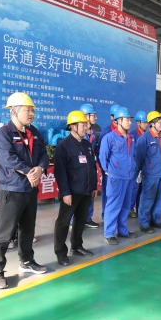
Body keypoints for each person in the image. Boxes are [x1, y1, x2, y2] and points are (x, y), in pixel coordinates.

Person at [0, 92, 49, 290]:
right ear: (14, 111)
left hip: (30, 189)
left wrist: (40, 168)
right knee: (4, 232)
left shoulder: (35, 132)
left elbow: (43, 154)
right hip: (12, 189)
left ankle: (27, 260)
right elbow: (7, 158)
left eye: (33, 110)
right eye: (27, 110)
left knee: (28, 228)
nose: (32, 114)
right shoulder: (3, 134)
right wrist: (29, 172)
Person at [54, 110, 98, 266]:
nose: (86, 127)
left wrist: (94, 186)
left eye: (86, 124)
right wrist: (65, 192)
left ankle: (77, 246)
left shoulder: (87, 145)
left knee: (80, 221)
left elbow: (92, 167)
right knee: (63, 223)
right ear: (73, 127)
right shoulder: (63, 146)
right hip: (71, 192)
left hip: (86, 190)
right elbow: (60, 172)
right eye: (83, 124)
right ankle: (61, 253)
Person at [99, 107, 138, 245]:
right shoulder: (109, 137)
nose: (130, 122)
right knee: (113, 205)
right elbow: (103, 157)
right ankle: (109, 233)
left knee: (126, 205)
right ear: (118, 121)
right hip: (115, 177)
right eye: (127, 120)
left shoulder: (131, 137)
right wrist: (110, 171)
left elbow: (132, 156)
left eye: (130, 120)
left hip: (129, 177)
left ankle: (122, 230)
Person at [135, 111, 161, 233]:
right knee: (147, 199)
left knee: (159, 199)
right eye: (160, 122)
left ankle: (156, 220)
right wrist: (142, 170)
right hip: (150, 175)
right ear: (152, 123)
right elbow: (138, 157)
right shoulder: (144, 138)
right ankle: (144, 224)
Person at [96, 103, 120, 220]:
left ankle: (116, 215)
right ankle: (106, 214)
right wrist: (104, 168)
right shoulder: (106, 132)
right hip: (109, 170)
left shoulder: (125, 133)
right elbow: (101, 153)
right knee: (108, 193)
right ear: (111, 117)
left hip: (120, 171)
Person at [79, 103, 100, 228]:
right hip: (80, 169)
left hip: (91, 167)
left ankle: (87, 218)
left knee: (91, 192)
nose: (95, 117)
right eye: (93, 115)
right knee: (79, 195)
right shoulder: (80, 134)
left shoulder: (93, 133)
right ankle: (74, 220)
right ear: (86, 116)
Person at [129, 111, 148, 218]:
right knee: (134, 188)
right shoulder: (133, 135)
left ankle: (139, 208)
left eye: (146, 122)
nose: (146, 124)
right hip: (135, 167)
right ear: (138, 123)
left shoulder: (147, 135)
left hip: (144, 166)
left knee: (142, 189)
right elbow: (132, 152)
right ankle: (130, 208)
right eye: (144, 122)